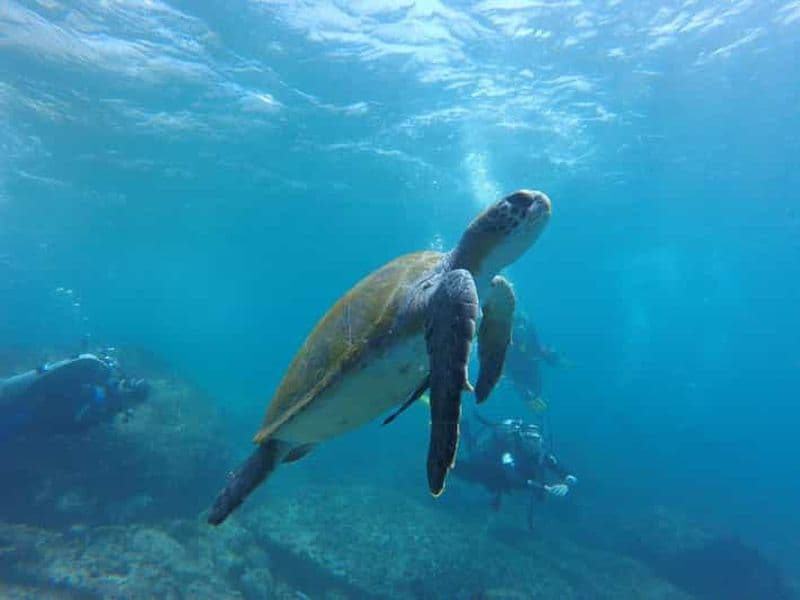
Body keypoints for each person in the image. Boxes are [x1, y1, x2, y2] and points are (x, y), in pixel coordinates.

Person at [453, 412, 577, 529]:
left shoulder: (541, 453)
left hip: (517, 476)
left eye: (537, 440)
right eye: (529, 439)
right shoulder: (509, 449)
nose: (533, 444)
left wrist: (567, 482)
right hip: (494, 469)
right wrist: (544, 487)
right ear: (522, 439)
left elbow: (561, 468)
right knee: (473, 455)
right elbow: (512, 476)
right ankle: (464, 428)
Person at [0, 351, 149, 442]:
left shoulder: (107, 394)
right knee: (14, 421)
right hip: (32, 411)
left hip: (36, 409)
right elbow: (73, 416)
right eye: (133, 402)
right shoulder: (99, 395)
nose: (131, 409)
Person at [505, 311, 565, 412]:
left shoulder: (531, 338)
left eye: (522, 324)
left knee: (541, 406)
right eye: (517, 325)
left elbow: (542, 351)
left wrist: (555, 359)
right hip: (514, 385)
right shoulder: (505, 344)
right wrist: (521, 391)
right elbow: (502, 370)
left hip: (530, 381)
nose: (521, 328)